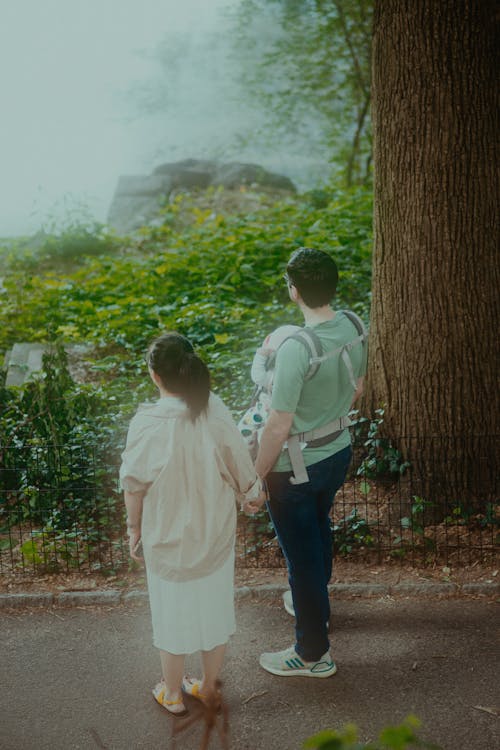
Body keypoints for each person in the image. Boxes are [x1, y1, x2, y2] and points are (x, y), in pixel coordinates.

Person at [120, 332, 264, 715]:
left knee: (170, 614)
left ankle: (171, 692)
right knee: (215, 610)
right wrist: (252, 492)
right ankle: (207, 687)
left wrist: (133, 529)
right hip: (214, 532)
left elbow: (133, 485)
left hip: (165, 537)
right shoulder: (212, 408)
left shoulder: (146, 422)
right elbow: (236, 455)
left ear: (155, 376)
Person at [243, 247, 367, 678]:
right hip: (339, 449)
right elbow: (358, 385)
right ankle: (313, 603)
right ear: (333, 285)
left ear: (293, 290)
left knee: (302, 559)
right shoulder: (353, 324)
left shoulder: (297, 347)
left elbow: (277, 426)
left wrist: (253, 480)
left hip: (295, 467)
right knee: (318, 529)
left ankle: (313, 654)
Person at [238, 324, 301, 455]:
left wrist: (261, 353)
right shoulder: (298, 373)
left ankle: (247, 456)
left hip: (263, 413)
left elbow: (257, 375)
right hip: (276, 415)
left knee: (247, 434)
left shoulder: (273, 376)